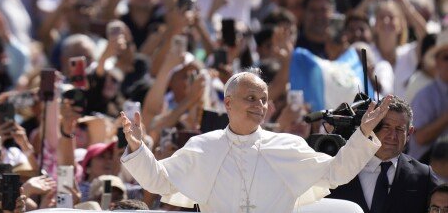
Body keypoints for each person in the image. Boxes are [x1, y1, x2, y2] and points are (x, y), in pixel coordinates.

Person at [120, 69, 392, 213]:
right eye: (250, 98)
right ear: (228, 103)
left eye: (263, 99)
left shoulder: (288, 146)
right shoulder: (203, 147)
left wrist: (363, 133)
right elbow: (158, 181)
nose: (259, 105)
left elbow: (336, 172)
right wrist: (137, 147)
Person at [327, 97, 440, 213]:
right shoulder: (341, 168)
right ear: (373, 127)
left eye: (399, 129)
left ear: (409, 133)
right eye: (386, 127)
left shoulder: (424, 177)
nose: (392, 135)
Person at [410, 30, 448, 162]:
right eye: (446, 58)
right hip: (429, 174)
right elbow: (419, 138)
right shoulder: (425, 95)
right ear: (436, 61)